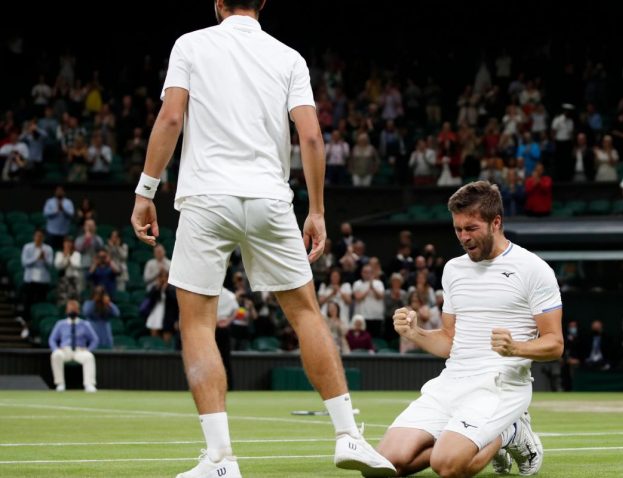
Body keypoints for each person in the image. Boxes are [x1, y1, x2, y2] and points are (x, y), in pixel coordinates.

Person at [129, 1, 395, 477]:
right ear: (263, 5)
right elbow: (311, 137)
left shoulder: (190, 44)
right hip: (271, 200)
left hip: (207, 197)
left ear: (218, 5)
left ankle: (220, 460)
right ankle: (349, 437)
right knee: (306, 314)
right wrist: (315, 210)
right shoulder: (288, 56)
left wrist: (145, 191)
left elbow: (170, 120)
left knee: (197, 325)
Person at [376, 181, 563, 477]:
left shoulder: (533, 269)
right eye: (458, 229)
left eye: (471, 228)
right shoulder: (453, 269)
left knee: (447, 466)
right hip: (452, 382)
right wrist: (416, 333)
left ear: (496, 222)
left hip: (501, 385)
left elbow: (555, 344)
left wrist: (516, 348)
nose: (463, 237)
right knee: (385, 464)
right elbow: (450, 341)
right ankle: (471, 437)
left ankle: (509, 432)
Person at [48, 300, 99, 392]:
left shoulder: (85, 324)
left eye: (74, 309)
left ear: (78, 311)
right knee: (56, 355)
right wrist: (55, 349)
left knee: (89, 356)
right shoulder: (60, 324)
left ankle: (89, 384)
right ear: (66, 311)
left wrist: (88, 349)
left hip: (80, 350)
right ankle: (60, 384)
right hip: (65, 350)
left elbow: (95, 339)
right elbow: (52, 339)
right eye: (70, 309)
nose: (72, 312)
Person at [21, 230, 54, 339]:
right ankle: (26, 327)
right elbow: (24, 263)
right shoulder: (27, 247)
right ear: (34, 236)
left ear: (43, 237)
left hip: (43, 282)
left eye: (41, 236)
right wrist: (36, 258)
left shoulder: (48, 249)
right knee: (28, 305)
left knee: (41, 307)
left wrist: (44, 258)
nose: (39, 238)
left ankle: (37, 330)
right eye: (37, 236)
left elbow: (51, 265)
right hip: (30, 281)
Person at [43, 186, 75, 251]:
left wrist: (63, 209)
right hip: (51, 231)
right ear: (55, 192)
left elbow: (72, 214)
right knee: (50, 250)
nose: (59, 192)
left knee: (63, 251)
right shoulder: (49, 201)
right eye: (58, 191)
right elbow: (45, 213)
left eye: (61, 191)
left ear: (64, 192)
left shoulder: (68, 202)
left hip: (64, 232)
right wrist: (55, 211)